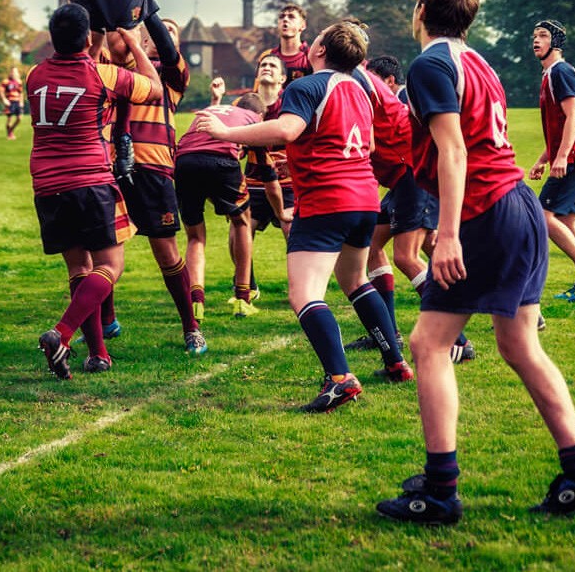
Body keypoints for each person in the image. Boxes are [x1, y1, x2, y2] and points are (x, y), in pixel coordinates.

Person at [377, 0, 575, 525]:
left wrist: (449, 233)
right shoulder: (476, 60)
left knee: (429, 344)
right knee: (520, 344)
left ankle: (439, 491)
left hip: (486, 212)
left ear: (421, 10)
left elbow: (454, 151)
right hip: (519, 206)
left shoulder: (431, 63)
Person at [196, 20, 412, 412]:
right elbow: (373, 140)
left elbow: (288, 129)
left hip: (328, 198)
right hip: (365, 197)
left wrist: (225, 133)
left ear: (319, 52)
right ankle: (395, 360)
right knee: (354, 279)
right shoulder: (361, 88)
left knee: (304, 294)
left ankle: (340, 379)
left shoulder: (308, 85)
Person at [30, 4, 162, 379]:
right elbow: (152, 88)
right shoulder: (103, 75)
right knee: (109, 266)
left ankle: (98, 355)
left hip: (46, 184)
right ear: (88, 39)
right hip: (88, 181)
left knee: (79, 268)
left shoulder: (35, 75)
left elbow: (73, 65)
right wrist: (136, 46)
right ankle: (62, 333)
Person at [347, 55, 475, 365]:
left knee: (406, 256)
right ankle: (390, 332)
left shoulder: (357, 79)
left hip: (411, 174)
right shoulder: (357, 80)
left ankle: (458, 339)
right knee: (374, 246)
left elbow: (372, 144)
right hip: (401, 178)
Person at [116, 16, 208, 354]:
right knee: (104, 249)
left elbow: (166, 49)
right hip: (116, 164)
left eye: (172, 31)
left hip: (155, 167)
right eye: (159, 28)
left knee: (167, 253)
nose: (163, 34)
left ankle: (191, 327)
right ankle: (106, 323)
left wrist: (148, 15)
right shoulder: (124, 63)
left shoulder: (173, 74)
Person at [528, 21, 575, 301]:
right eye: (535, 35)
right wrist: (542, 159)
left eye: (543, 36)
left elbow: (574, 116)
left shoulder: (560, 71)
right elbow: (559, 125)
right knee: (567, 219)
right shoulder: (550, 73)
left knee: (544, 216)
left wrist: (561, 157)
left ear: (556, 42)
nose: (536, 40)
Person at [176, 93, 264, 317]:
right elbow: (263, 164)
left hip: (183, 160)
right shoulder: (254, 118)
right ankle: (243, 299)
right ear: (260, 114)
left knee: (195, 236)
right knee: (242, 222)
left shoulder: (217, 108)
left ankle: (196, 302)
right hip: (221, 159)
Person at [241, 53, 294, 302]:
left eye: (272, 65)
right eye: (263, 65)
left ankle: (299, 286)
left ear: (282, 78)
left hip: (287, 183)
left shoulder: (290, 104)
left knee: (291, 229)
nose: (267, 68)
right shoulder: (245, 105)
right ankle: (246, 287)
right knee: (240, 231)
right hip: (253, 182)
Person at [254, 4, 312, 88]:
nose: (285, 19)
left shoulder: (311, 56)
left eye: (291, 17)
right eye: (282, 16)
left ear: (303, 25)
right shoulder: (267, 56)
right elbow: (257, 92)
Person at [0, 66, 23, 140]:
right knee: (9, 120)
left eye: (15, 72)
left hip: (17, 102)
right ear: (10, 73)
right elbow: (1, 91)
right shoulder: (6, 81)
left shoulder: (19, 82)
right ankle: (9, 134)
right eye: (12, 72)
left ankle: (10, 131)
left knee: (19, 119)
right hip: (10, 102)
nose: (13, 73)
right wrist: (4, 100)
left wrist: (21, 102)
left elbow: (21, 93)